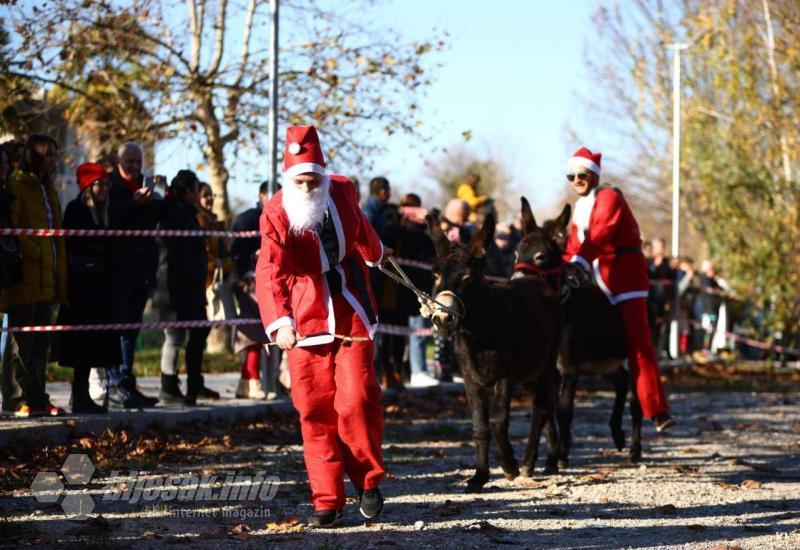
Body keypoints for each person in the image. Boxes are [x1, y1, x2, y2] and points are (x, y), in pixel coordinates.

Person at [256, 125, 389, 528]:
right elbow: (269, 271)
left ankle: (367, 481)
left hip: (351, 308)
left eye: (314, 179)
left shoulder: (344, 190)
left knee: (357, 400)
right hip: (303, 316)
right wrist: (279, 322)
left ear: (325, 175)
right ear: (288, 179)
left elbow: (362, 230)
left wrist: (379, 254)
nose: (309, 186)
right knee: (314, 409)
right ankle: (327, 500)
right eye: (301, 180)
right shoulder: (276, 212)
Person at [564, 147, 674, 432]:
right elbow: (573, 247)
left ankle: (656, 409)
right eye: (571, 176)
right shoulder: (579, 208)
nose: (576, 180)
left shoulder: (609, 197)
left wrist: (577, 263)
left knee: (640, 344)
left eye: (581, 174)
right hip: (595, 276)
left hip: (625, 278)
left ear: (594, 174)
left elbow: (600, 235)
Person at [0, 135, 67, 417]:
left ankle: (39, 397)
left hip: (46, 278)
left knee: (42, 344)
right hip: (24, 277)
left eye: (55, 153)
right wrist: (34, 250)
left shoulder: (48, 187)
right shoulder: (18, 183)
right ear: (35, 155)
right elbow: (10, 229)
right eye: (49, 154)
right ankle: (16, 399)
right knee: (20, 345)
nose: (54, 159)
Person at [56, 163, 120, 413]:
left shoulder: (106, 212)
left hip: (101, 288)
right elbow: (77, 246)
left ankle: (88, 395)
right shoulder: (76, 209)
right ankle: (79, 396)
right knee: (81, 347)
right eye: (99, 185)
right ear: (87, 187)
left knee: (97, 346)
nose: (104, 189)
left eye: (106, 184)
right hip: (82, 289)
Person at [158, 170, 220, 406]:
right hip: (175, 286)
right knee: (174, 336)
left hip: (189, 286)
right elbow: (178, 252)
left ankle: (193, 385)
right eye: (196, 190)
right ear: (188, 192)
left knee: (197, 331)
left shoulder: (187, 213)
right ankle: (169, 387)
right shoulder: (174, 212)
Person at [106, 142, 159, 408]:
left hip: (143, 270)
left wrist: (162, 193)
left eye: (138, 162)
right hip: (119, 269)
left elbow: (160, 220)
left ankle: (128, 382)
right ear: (118, 163)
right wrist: (132, 203)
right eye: (129, 162)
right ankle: (115, 382)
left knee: (133, 329)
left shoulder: (148, 187)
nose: (135, 167)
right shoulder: (111, 188)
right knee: (120, 328)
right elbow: (109, 219)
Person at [230, 181, 271, 400]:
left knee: (258, 332)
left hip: (257, 281)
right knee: (255, 333)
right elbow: (235, 252)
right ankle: (254, 381)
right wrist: (242, 276)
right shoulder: (249, 219)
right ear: (264, 196)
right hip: (250, 283)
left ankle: (244, 383)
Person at [398, 194, 438, 388]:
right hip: (404, 288)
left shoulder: (424, 237)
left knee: (420, 329)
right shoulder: (400, 233)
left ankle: (418, 368)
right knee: (413, 331)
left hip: (421, 287)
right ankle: (415, 370)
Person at [647, 237, 676, 358]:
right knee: (650, 329)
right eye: (660, 247)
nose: (662, 249)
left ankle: (658, 353)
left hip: (663, 302)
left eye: (663, 247)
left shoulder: (667, 264)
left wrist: (669, 300)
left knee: (661, 329)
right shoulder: (647, 261)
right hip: (650, 302)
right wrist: (654, 265)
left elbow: (671, 283)